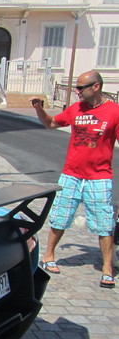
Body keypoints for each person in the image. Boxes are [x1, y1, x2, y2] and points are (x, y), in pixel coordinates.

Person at [30, 70, 119, 288]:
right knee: (60, 216)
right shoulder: (76, 109)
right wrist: (39, 109)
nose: (77, 92)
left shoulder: (114, 112)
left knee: (104, 223)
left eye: (80, 88)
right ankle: (48, 255)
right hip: (71, 174)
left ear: (96, 87)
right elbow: (51, 123)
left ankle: (107, 268)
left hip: (99, 177)